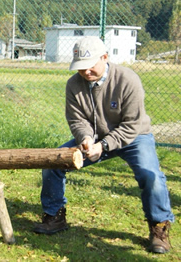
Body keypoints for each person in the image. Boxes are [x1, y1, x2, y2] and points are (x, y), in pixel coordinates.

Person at [33, 36, 174, 254]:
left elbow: (132, 124)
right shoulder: (73, 84)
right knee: (54, 162)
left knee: (151, 176)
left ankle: (159, 227)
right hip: (95, 139)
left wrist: (105, 145)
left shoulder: (128, 79)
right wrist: (86, 139)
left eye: (90, 67)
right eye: (80, 68)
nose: (85, 73)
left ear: (105, 58)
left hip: (134, 137)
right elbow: (77, 120)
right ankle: (54, 216)